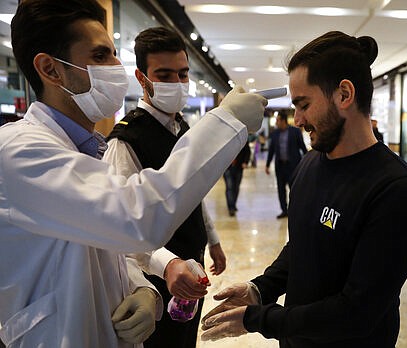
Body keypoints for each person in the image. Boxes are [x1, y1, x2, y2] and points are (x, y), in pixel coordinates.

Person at [0, 1, 266, 347]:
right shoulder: (20, 151)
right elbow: (135, 216)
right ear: (51, 70)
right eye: (99, 57)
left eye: (113, 54)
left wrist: (142, 289)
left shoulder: (81, 150)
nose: (116, 67)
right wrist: (225, 122)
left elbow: (102, 241)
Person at [200, 31, 407, 347]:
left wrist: (257, 319)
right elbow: (303, 245)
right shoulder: (311, 164)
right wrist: (260, 289)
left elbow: (358, 312)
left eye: (304, 104)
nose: (297, 119)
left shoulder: (396, 190)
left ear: (344, 94)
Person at [103, 27, 228, 347]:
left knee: (186, 336)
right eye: (164, 74)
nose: (177, 83)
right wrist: (166, 263)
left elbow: (193, 191)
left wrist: (212, 239)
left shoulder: (183, 127)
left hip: (190, 259)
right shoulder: (127, 139)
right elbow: (123, 225)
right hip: (151, 277)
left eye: (183, 74)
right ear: (142, 78)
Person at [265, 112, 308, 219]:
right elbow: (271, 150)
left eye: (278, 120)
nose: (276, 122)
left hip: (293, 166)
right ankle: (284, 210)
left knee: (294, 189)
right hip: (280, 166)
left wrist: (308, 161)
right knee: (281, 190)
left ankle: (295, 210)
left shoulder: (295, 132)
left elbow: (302, 147)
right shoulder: (275, 134)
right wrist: (267, 164)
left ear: (283, 120)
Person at [223, 141, 251, 216]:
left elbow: (247, 151)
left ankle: (233, 204)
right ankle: (231, 207)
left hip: (239, 166)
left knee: (236, 187)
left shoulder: (241, 137)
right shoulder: (223, 139)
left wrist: (245, 162)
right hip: (227, 167)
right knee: (229, 187)